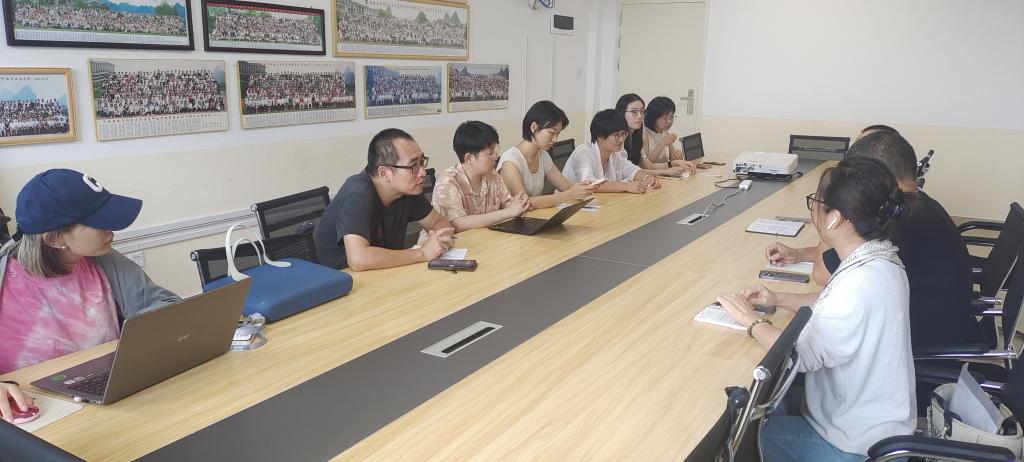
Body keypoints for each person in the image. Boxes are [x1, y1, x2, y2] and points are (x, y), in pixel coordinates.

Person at [719, 157, 915, 461]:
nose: (813, 211)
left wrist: (751, 320)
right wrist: (777, 298)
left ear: (835, 218)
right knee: (761, 401)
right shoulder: (879, 259)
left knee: (732, 436)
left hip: (851, 446)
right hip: (871, 425)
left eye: (817, 202)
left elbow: (797, 356)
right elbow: (831, 300)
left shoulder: (862, 283)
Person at [766, 130, 982, 347]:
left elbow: (823, 276)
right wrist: (799, 256)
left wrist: (827, 215)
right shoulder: (912, 207)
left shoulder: (897, 224)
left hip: (920, 343)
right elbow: (850, 261)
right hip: (933, 323)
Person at [0, 169, 180, 421]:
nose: (111, 229)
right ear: (53, 239)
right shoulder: (5, 281)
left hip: (112, 397)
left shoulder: (104, 260)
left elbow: (167, 307)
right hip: (38, 413)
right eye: (99, 221)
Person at [315, 128, 455, 271]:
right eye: (413, 165)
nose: (423, 172)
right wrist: (423, 253)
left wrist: (439, 239)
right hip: (345, 279)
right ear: (384, 173)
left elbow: (439, 223)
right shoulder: (357, 195)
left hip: (386, 271)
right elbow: (358, 259)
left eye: (422, 162)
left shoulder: (407, 190)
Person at [419, 121, 530, 241]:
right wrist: (508, 212)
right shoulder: (448, 180)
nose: (495, 158)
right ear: (469, 158)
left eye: (495, 152)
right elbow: (459, 224)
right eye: (490, 154)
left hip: (484, 240)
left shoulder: (491, 174)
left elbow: (508, 203)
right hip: (446, 247)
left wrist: (520, 204)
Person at [498, 101, 595, 209]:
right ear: (533, 127)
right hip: (515, 218)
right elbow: (523, 203)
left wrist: (584, 188)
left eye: (558, 134)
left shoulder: (542, 155)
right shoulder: (510, 161)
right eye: (552, 133)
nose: (555, 139)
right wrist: (569, 195)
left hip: (536, 216)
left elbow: (566, 187)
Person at [562, 109, 666, 193]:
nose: (621, 139)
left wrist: (647, 178)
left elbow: (633, 171)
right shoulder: (583, 153)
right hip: (570, 206)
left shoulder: (614, 155)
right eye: (616, 135)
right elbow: (589, 184)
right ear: (600, 136)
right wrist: (626, 186)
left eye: (623, 134)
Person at [614, 94, 696, 174]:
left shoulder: (636, 136)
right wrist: (665, 171)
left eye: (642, 111)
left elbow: (648, 165)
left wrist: (673, 162)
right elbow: (628, 171)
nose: (639, 116)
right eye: (634, 112)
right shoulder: (618, 138)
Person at [643, 96, 691, 166]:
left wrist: (677, 155)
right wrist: (662, 143)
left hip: (665, 171)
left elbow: (673, 158)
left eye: (671, 117)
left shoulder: (665, 133)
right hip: (651, 172)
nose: (669, 121)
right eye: (665, 118)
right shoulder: (645, 134)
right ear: (654, 118)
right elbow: (646, 164)